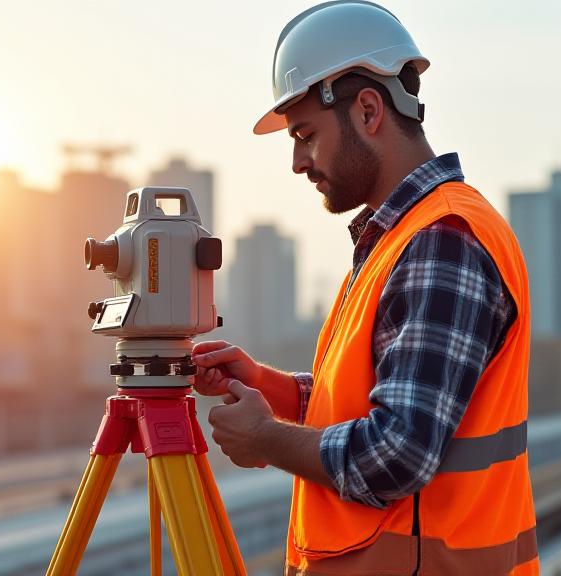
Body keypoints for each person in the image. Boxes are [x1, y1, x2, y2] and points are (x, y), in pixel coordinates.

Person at [193, 1, 539, 574]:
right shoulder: (401, 238)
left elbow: (398, 452)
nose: (298, 162)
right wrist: (267, 387)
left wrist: (266, 440)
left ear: (369, 111)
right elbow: (372, 403)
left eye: (305, 134)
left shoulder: (442, 240)